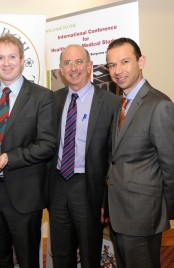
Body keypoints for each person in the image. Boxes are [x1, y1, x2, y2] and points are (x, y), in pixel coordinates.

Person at [0, 33, 58, 268]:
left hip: (24, 194)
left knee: (28, 259)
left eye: (12, 57)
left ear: (22, 60)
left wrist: (11, 157)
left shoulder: (42, 97)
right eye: (1, 58)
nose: (6, 63)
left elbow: (48, 144)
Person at [105, 37, 174, 267]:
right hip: (118, 214)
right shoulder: (118, 104)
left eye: (124, 62)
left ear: (141, 62)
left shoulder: (160, 106)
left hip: (143, 216)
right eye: (112, 65)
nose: (118, 71)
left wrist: (164, 210)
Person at [47, 44, 120, 268]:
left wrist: (106, 199)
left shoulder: (110, 103)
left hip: (89, 187)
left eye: (79, 62)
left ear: (89, 66)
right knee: (60, 255)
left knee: (90, 255)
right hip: (58, 185)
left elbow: (112, 156)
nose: (74, 68)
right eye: (68, 63)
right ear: (61, 69)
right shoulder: (52, 100)